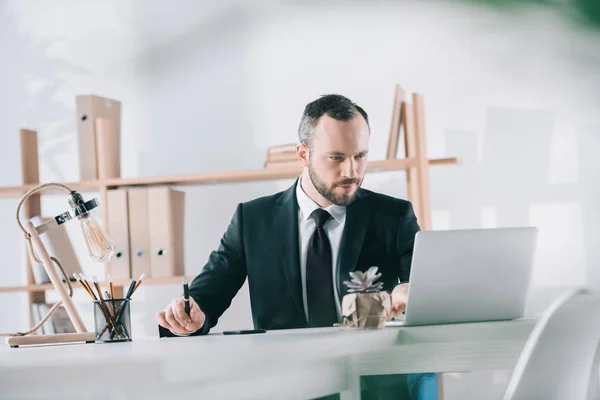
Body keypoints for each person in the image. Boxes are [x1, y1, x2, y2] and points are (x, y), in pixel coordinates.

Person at [156, 94, 439, 400]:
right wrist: (189, 316)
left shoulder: (393, 216)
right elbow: (206, 295)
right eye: (336, 157)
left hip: (372, 386)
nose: (351, 171)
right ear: (303, 154)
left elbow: (428, 288)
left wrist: (409, 293)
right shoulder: (253, 219)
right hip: (287, 385)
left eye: (360, 156)